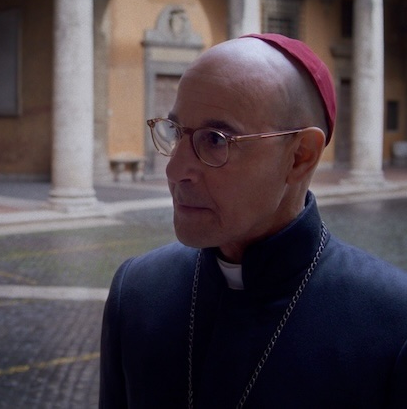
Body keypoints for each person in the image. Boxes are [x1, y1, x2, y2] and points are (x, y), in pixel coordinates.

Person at [99, 33, 407, 408]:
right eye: (176, 132)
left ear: (299, 157)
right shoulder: (136, 292)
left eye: (215, 140)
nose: (176, 168)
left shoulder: (394, 324)